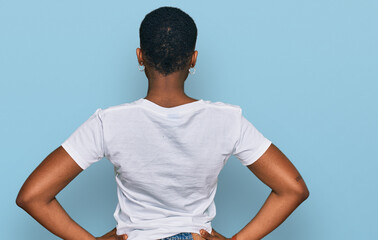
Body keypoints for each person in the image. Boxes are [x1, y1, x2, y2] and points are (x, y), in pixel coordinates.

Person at [16, 6, 309, 240]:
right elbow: (293, 188)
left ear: (140, 56)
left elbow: (32, 197)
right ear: (193, 60)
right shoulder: (227, 120)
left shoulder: (109, 123)